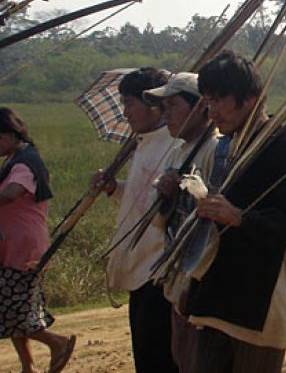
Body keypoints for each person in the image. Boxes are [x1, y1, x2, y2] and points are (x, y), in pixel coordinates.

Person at [181, 50, 286, 373]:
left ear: (249, 99)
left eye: (219, 99)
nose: (212, 110)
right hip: (216, 296)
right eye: (208, 100)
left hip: (260, 303)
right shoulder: (225, 147)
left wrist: (240, 218)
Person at [93, 67, 179, 373]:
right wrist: (114, 188)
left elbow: (167, 209)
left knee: (160, 356)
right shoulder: (141, 143)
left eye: (130, 103)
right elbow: (140, 198)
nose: (126, 112)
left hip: (160, 269)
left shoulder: (175, 144)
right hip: (138, 265)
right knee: (145, 354)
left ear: (154, 103)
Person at [141, 72, 219, 373]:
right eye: (164, 108)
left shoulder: (216, 149)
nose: (166, 115)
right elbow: (160, 221)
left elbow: (213, 223)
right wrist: (167, 195)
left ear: (200, 107)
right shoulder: (178, 151)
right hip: (178, 279)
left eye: (172, 106)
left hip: (196, 281)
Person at [0, 107, 77, 373]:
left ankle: (57, 342)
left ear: (9, 134)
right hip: (12, 244)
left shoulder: (25, 162)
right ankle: (27, 366)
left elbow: (11, 193)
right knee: (13, 305)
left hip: (24, 248)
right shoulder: (14, 159)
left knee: (12, 308)